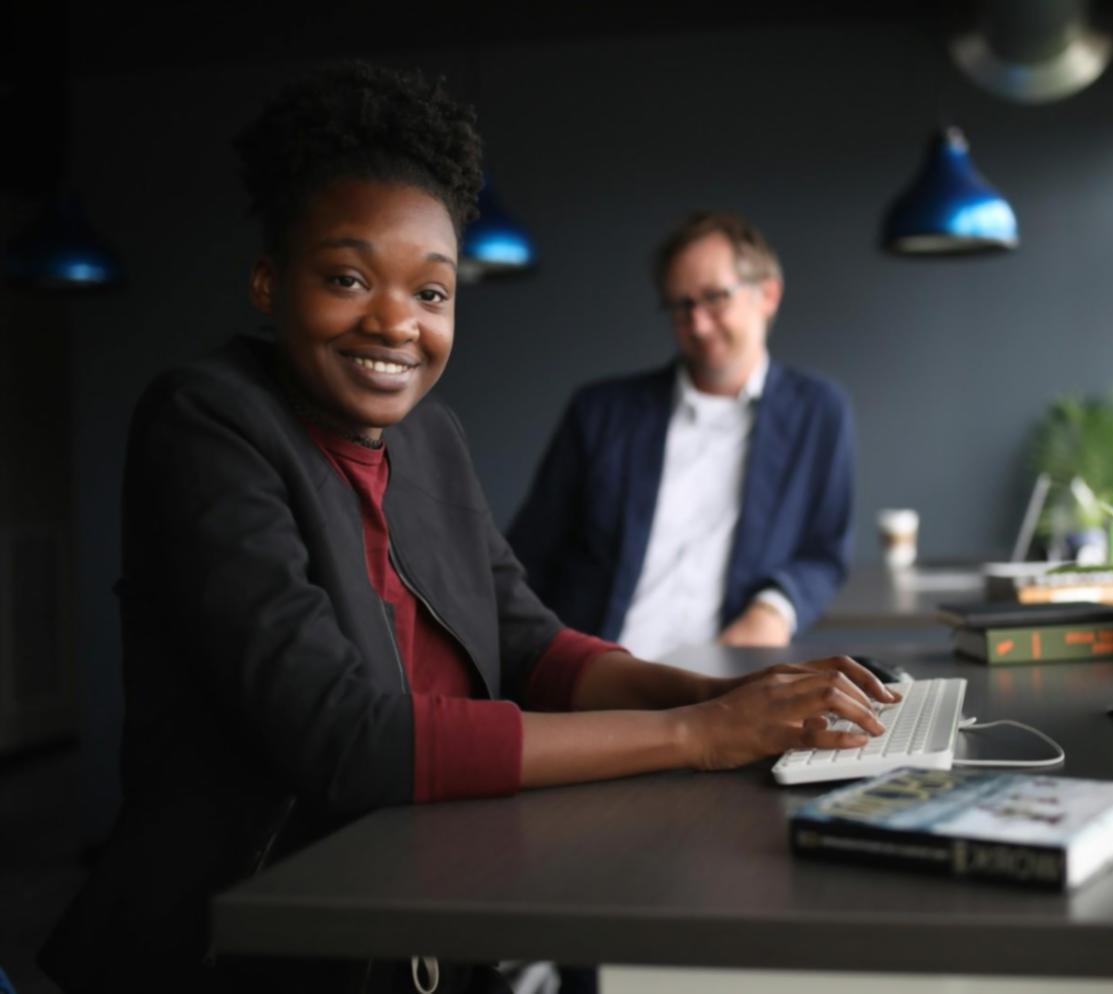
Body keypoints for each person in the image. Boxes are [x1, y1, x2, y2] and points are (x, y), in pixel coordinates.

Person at [39, 62, 891, 994]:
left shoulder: (430, 437)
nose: (395, 322)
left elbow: (529, 643)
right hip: (255, 941)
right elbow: (349, 740)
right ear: (267, 281)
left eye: (432, 292)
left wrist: (738, 701)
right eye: (347, 277)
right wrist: (696, 731)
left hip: (439, 906)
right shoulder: (206, 421)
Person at [507, 211, 854, 659]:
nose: (698, 324)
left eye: (715, 298)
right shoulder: (600, 412)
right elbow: (527, 555)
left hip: (729, 687)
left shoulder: (817, 411)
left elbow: (824, 553)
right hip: (599, 681)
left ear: (767, 294)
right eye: (680, 305)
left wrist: (774, 609)